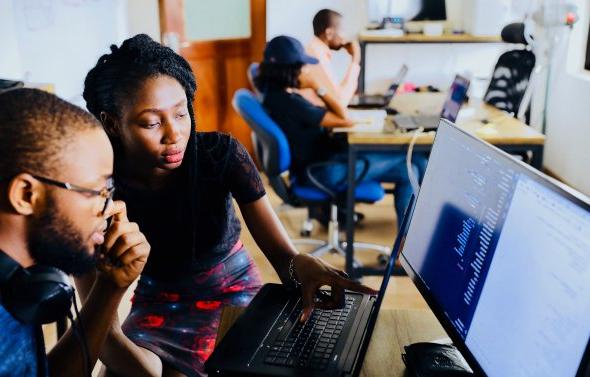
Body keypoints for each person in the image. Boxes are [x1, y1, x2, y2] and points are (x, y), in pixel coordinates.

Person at [79, 34, 377, 377]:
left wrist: (301, 266)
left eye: (180, 114)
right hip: (158, 306)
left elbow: (284, 260)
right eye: (151, 122)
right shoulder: (95, 192)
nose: (174, 134)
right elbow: (100, 330)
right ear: (112, 122)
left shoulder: (220, 156)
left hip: (233, 294)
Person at [0, 88, 150, 377]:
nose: (111, 208)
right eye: (98, 191)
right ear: (26, 194)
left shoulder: (22, 280)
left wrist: (109, 287)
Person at [256, 36, 427, 225]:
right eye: (303, 66)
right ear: (290, 70)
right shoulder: (290, 104)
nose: (307, 70)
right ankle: (407, 242)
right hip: (324, 172)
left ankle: (412, 235)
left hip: (319, 165)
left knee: (417, 161)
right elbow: (345, 118)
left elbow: (331, 115)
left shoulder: (274, 96)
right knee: (411, 166)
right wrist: (318, 87)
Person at [303, 8, 361, 106]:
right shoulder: (317, 57)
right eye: (342, 31)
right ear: (329, 33)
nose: (344, 37)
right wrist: (356, 59)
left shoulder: (315, 50)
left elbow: (336, 93)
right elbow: (340, 101)